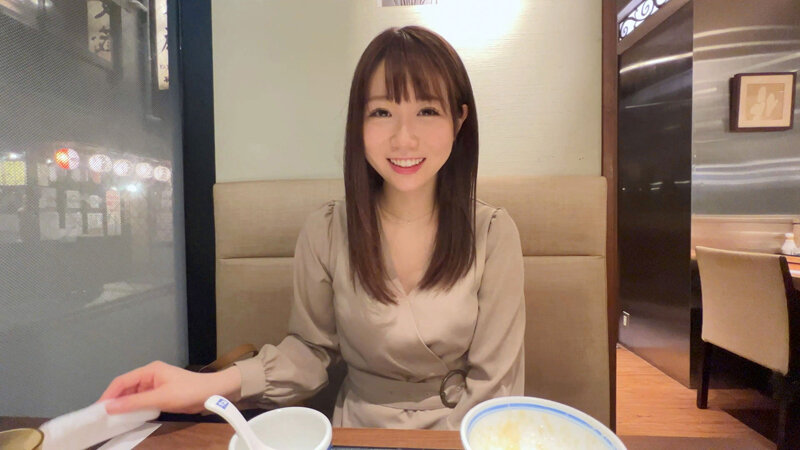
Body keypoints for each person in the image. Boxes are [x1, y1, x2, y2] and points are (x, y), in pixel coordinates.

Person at [99, 25, 525, 430]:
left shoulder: (492, 234)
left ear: (459, 120)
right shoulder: (327, 230)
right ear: (358, 122)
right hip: (359, 430)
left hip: (463, 433)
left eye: (427, 110)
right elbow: (310, 353)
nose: (404, 138)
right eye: (382, 111)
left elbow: (496, 385)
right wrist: (206, 386)